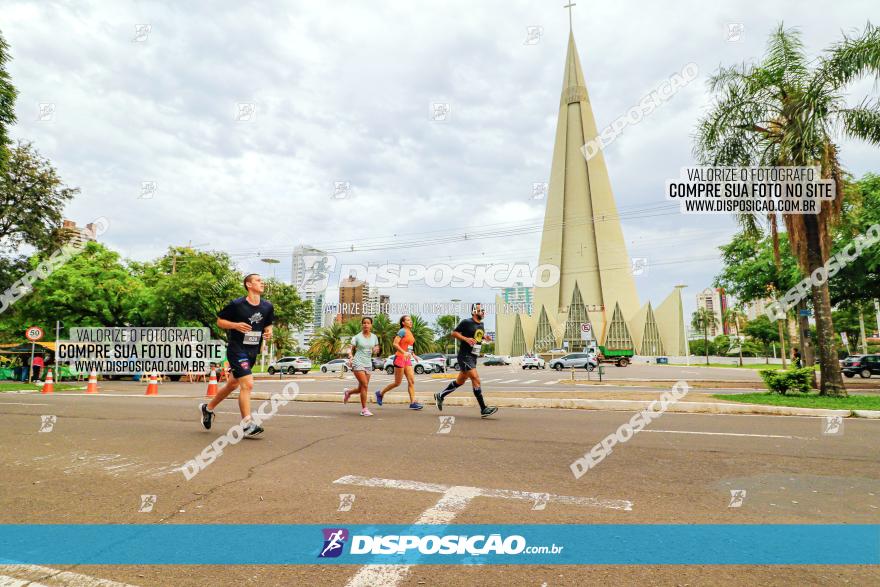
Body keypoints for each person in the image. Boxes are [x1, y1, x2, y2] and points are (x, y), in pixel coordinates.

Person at [200, 273, 274, 437]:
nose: (262, 283)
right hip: (236, 349)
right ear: (248, 284)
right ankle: (247, 423)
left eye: (262, 280)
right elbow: (220, 321)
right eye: (258, 281)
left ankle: (208, 408)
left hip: (252, 351)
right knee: (247, 384)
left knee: (232, 384)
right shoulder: (237, 304)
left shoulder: (267, 306)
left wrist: (268, 333)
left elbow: (268, 325)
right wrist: (235, 325)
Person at [434, 303, 498, 418]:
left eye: (483, 310)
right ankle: (484, 409)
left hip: (473, 356)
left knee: (460, 381)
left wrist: (485, 338)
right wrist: (465, 339)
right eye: (480, 310)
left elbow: (478, 336)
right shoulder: (466, 322)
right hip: (465, 356)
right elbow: (454, 333)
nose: (483, 312)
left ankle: (440, 395)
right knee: (476, 378)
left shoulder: (481, 324)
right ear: (474, 312)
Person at [375, 315, 423, 410]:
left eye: (411, 320)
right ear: (403, 323)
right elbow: (395, 344)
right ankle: (380, 393)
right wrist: (403, 352)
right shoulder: (402, 331)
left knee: (411, 381)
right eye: (408, 320)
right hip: (399, 358)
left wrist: (413, 355)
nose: (411, 322)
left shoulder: (410, 333)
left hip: (407, 359)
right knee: (397, 383)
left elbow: (409, 347)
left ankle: (413, 403)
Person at [343, 316, 380, 416]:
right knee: (365, 385)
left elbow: (376, 347)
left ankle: (348, 393)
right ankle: (364, 409)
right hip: (357, 362)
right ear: (362, 325)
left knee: (361, 388)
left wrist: (376, 350)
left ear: (371, 325)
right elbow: (350, 348)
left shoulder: (374, 337)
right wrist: (350, 356)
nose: (366, 325)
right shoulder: (357, 337)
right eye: (364, 323)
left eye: (368, 323)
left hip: (368, 364)